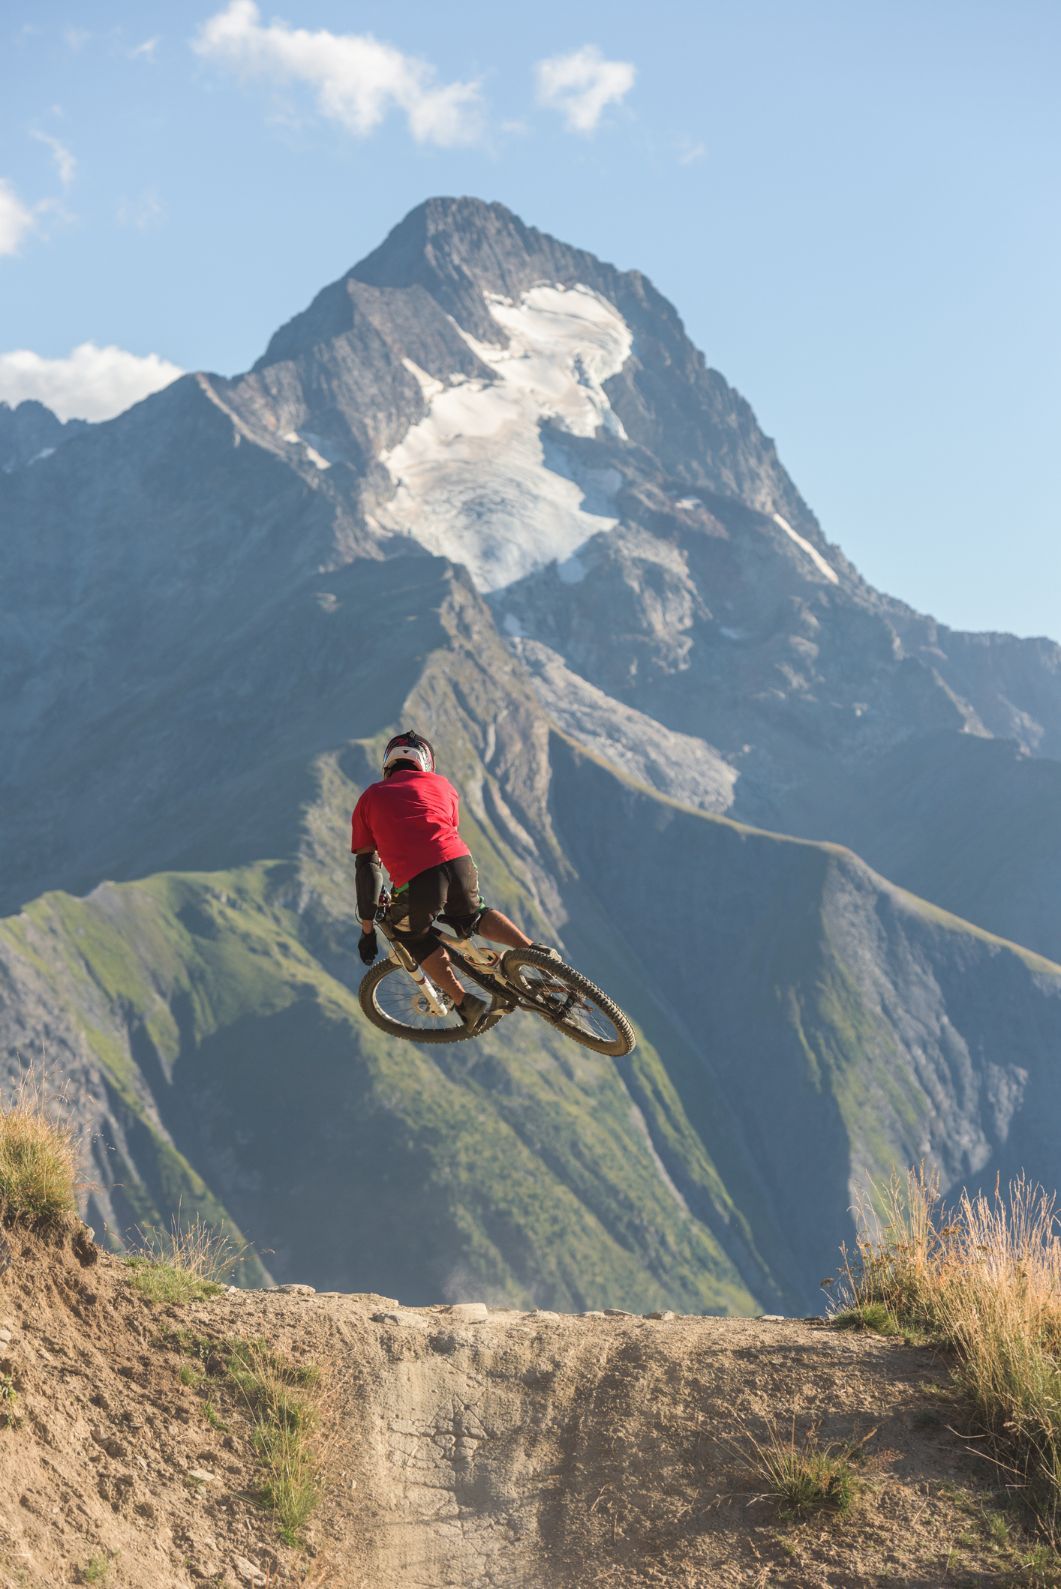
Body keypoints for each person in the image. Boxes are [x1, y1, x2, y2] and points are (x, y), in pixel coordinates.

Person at [351, 730, 540, 1032]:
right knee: (473, 915)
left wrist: (367, 929)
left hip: (419, 879)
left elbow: (367, 868)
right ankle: (536, 953)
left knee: (412, 936)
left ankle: (465, 1002)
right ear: (426, 763)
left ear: (387, 764)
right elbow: (447, 826)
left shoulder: (370, 798)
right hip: (460, 862)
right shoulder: (443, 786)